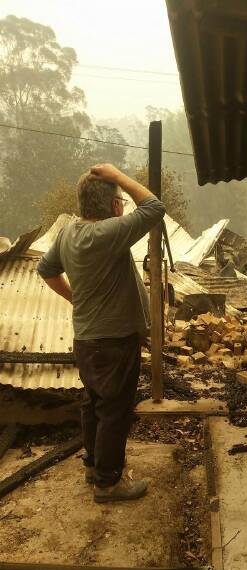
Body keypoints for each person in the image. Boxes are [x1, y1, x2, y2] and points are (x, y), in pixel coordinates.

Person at [37, 163, 165, 503]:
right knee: (114, 412)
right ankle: (108, 484)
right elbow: (155, 207)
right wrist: (118, 176)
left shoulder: (69, 233)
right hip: (113, 343)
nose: (123, 204)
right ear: (114, 205)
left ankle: (94, 467)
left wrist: (73, 297)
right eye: (120, 199)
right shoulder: (107, 233)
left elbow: (45, 268)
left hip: (87, 339)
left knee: (93, 403)